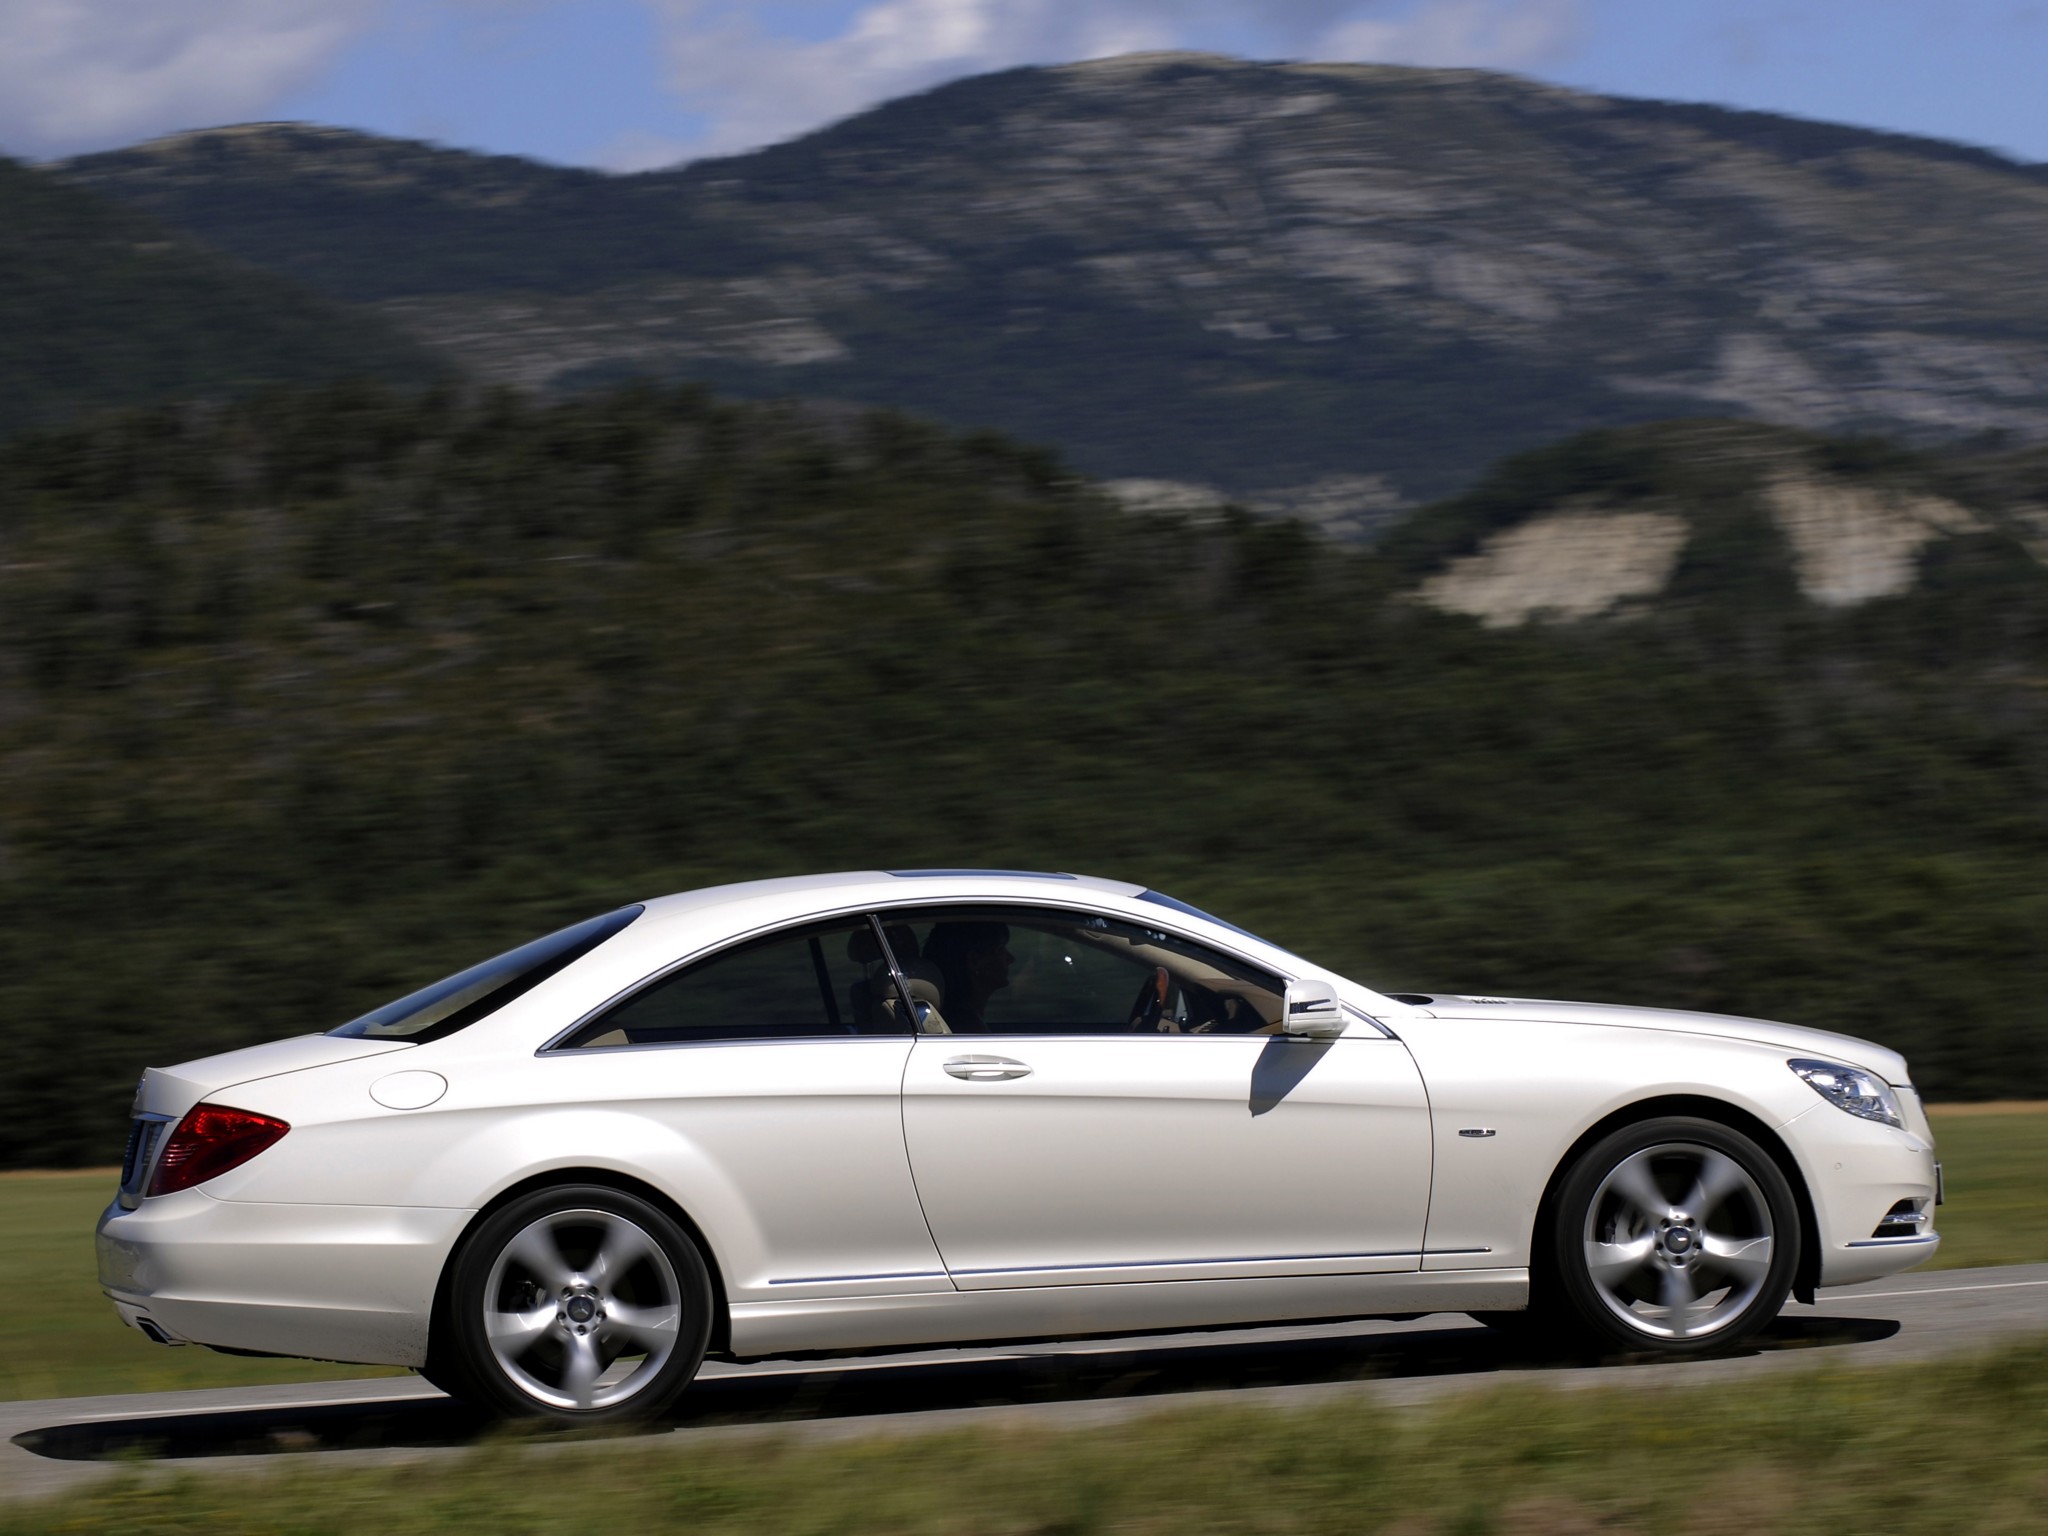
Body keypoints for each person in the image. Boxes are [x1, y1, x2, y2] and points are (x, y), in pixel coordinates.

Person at [921, 920, 1012, 1032]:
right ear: (974, 961)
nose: (1011, 959)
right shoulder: (968, 1027)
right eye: (1001, 950)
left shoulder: (959, 1018)